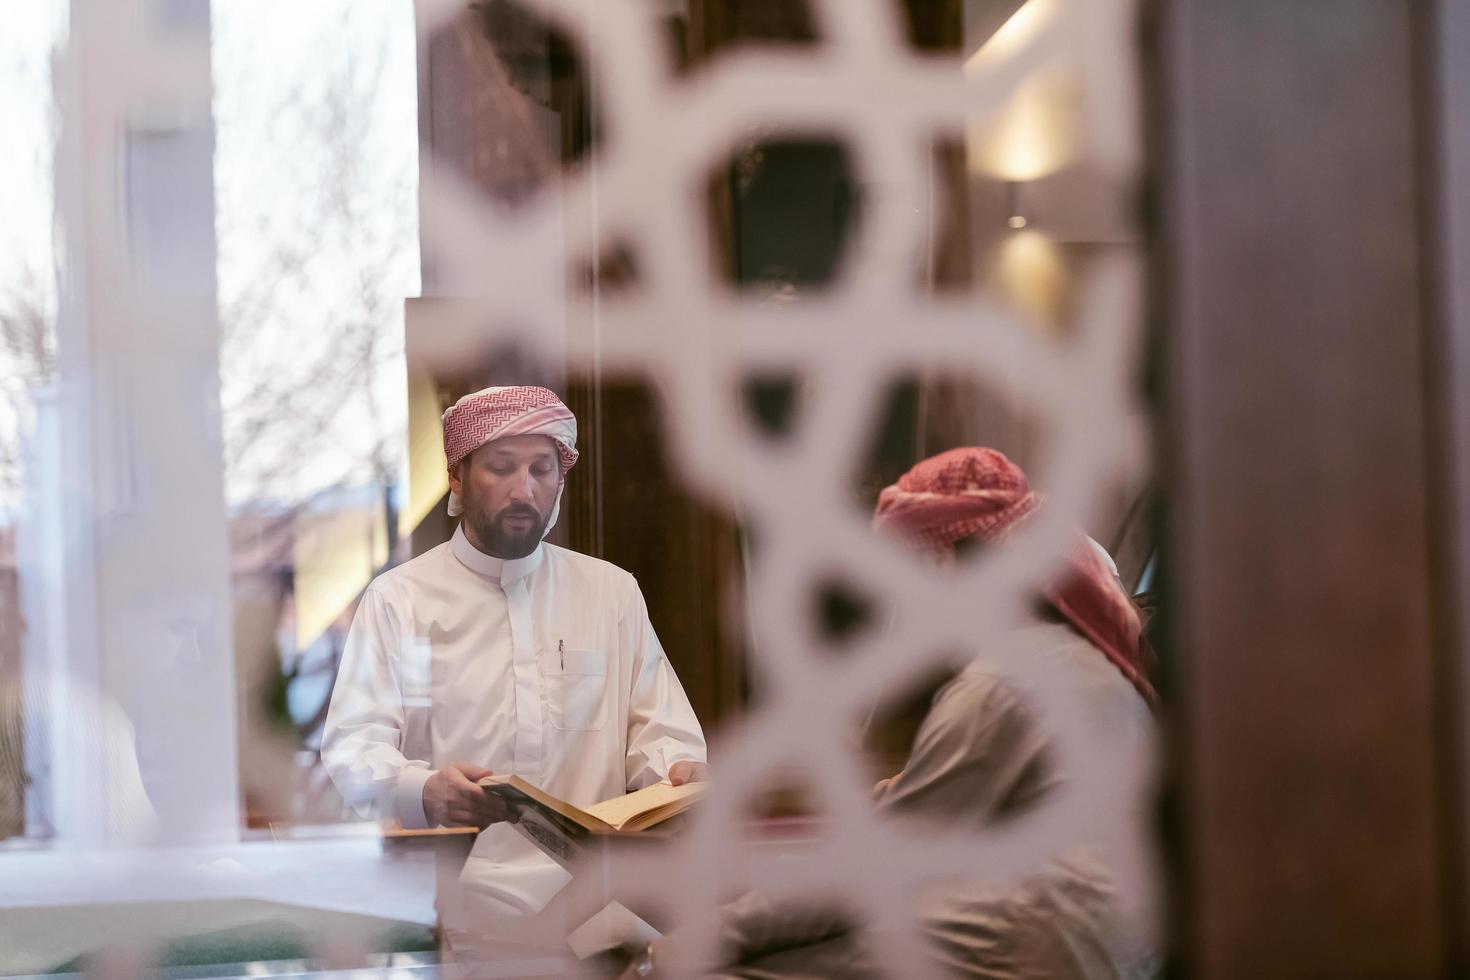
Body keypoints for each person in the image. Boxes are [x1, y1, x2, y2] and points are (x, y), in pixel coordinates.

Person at [628, 447, 1155, 979]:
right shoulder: (1061, 653)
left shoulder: (1003, 681)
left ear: (939, 564)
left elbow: (877, 870)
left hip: (1057, 941)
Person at [322, 385, 708, 918]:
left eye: (541, 470)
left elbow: (659, 731)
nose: (523, 490)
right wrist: (428, 790)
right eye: (501, 467)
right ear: (457, 476)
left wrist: (680, 772)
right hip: (450, 908)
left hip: (601, 908)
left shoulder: (610, 592)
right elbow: (353, 746)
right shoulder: (398, 600)